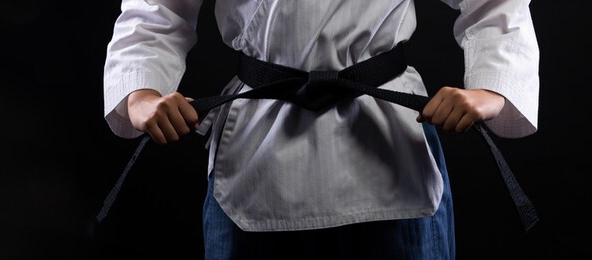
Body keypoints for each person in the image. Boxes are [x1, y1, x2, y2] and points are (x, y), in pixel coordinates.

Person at [102, 0, 539, 259]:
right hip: (259, 150)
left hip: (389, 144)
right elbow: (156, 10)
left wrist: (490, 88)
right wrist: (141, 94)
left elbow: (494, 4)